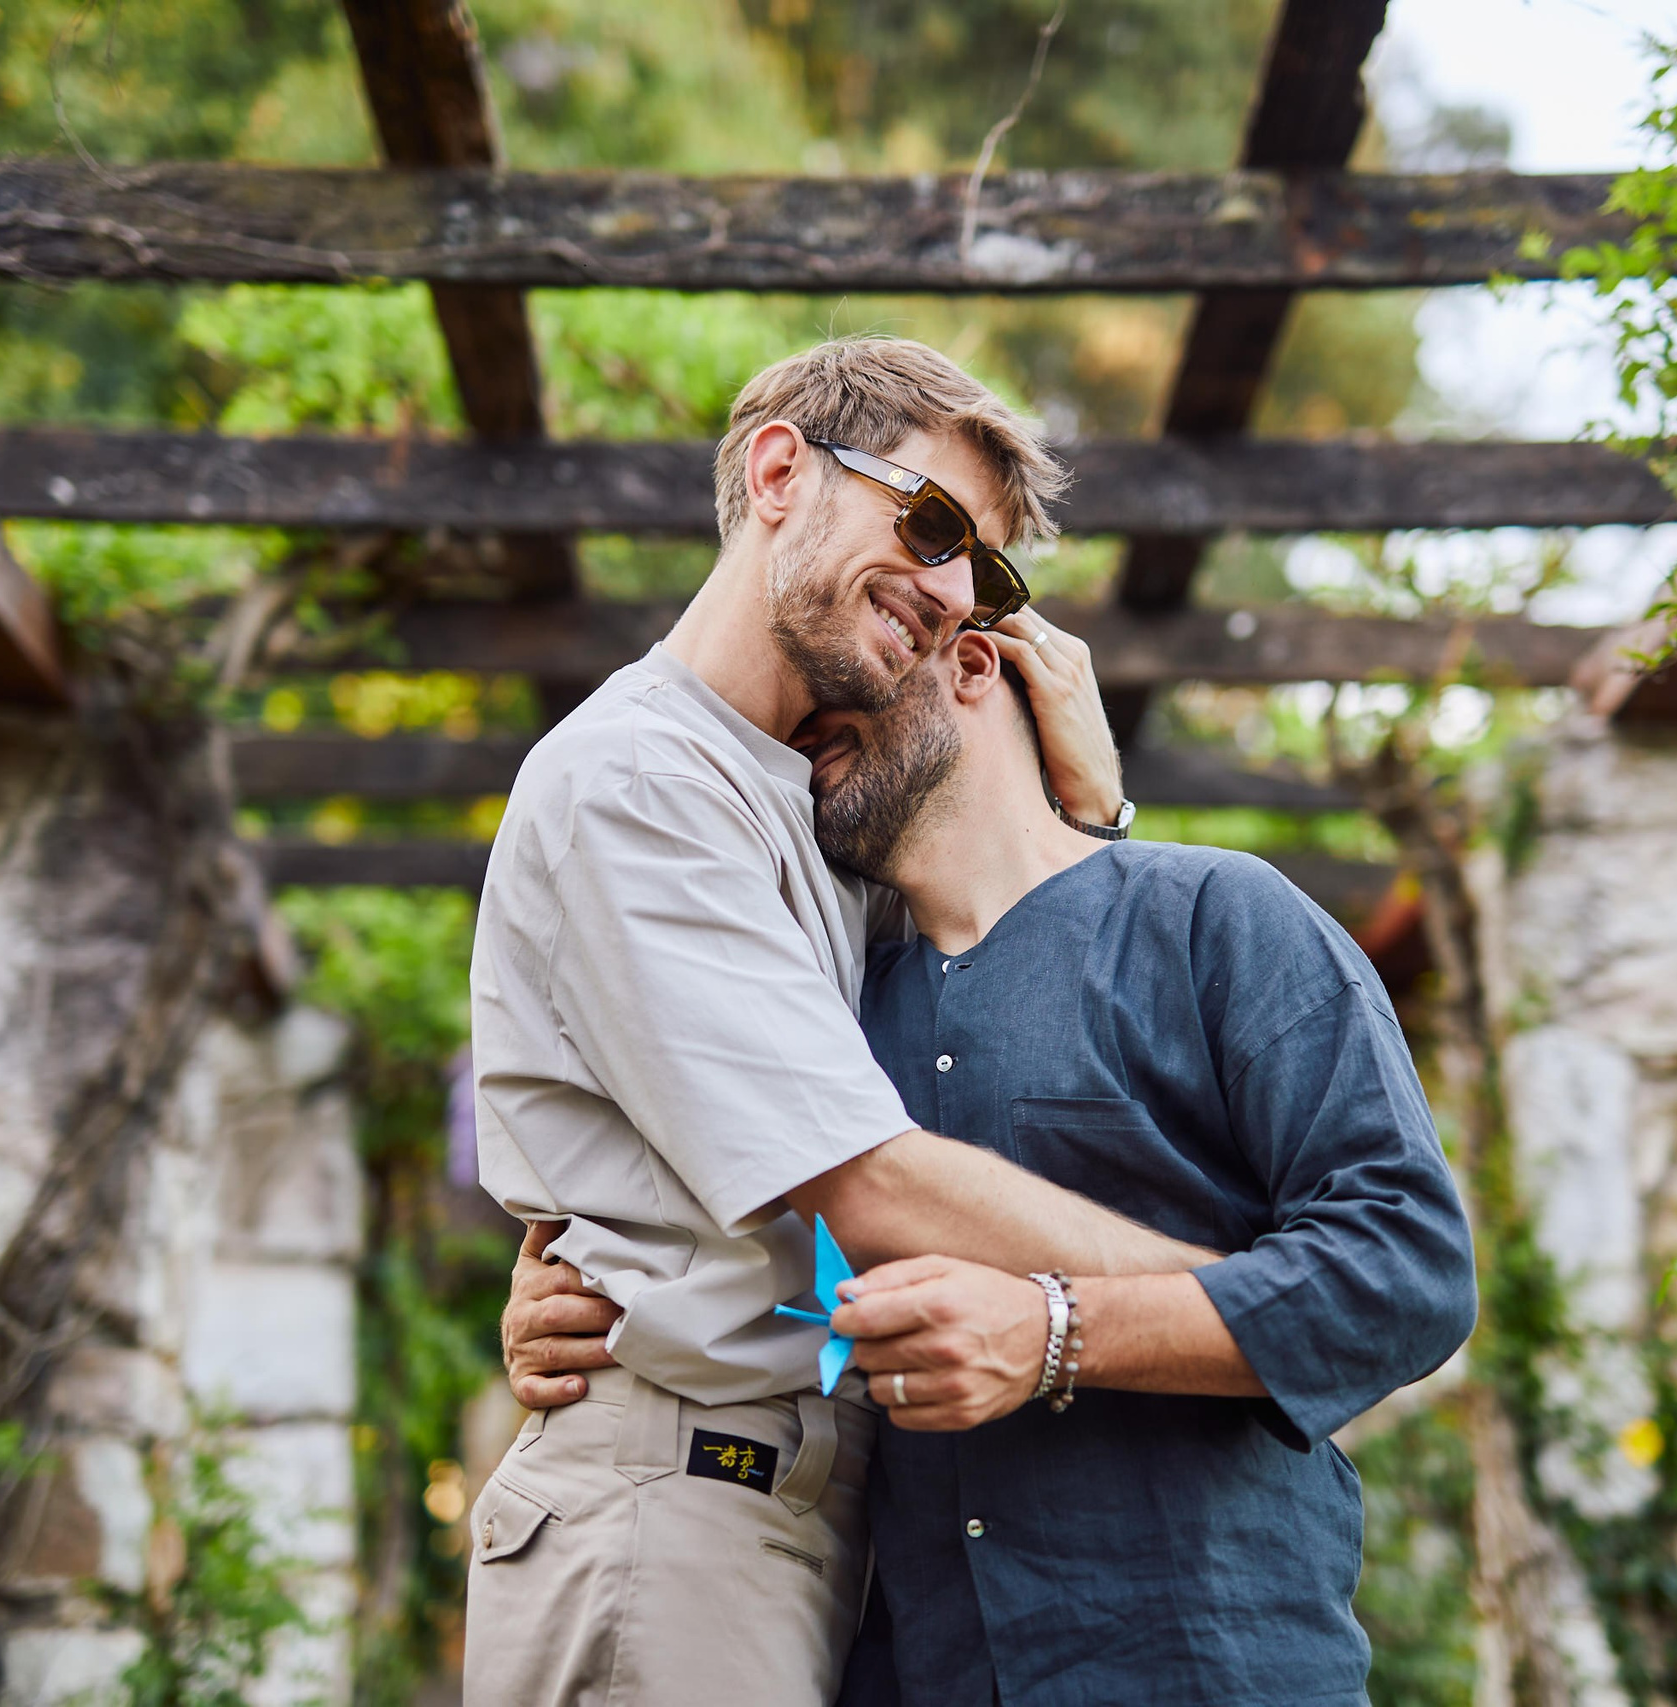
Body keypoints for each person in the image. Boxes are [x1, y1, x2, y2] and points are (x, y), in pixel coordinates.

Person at [509, 629, 1477, 1707]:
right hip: (921, 1669)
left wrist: (1054, 1331)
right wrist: (597, 1297)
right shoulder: (823, 1019)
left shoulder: (1219, 918)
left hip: (1212, 1662)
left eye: (844, 689)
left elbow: (1407, 1275)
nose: (801, 723)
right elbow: (759, 1274)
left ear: (971, 665)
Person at [463, 336, 1210, 1707]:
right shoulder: (635, 781)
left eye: (982, 573)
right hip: (680, 1512)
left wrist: (1092, 813)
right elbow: (861, 1175)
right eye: (928, 525)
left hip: (809, 1520)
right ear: (777, 471)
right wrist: (1224, 1308)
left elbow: (1002, 1029)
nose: (946, 594)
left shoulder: (822, 823)